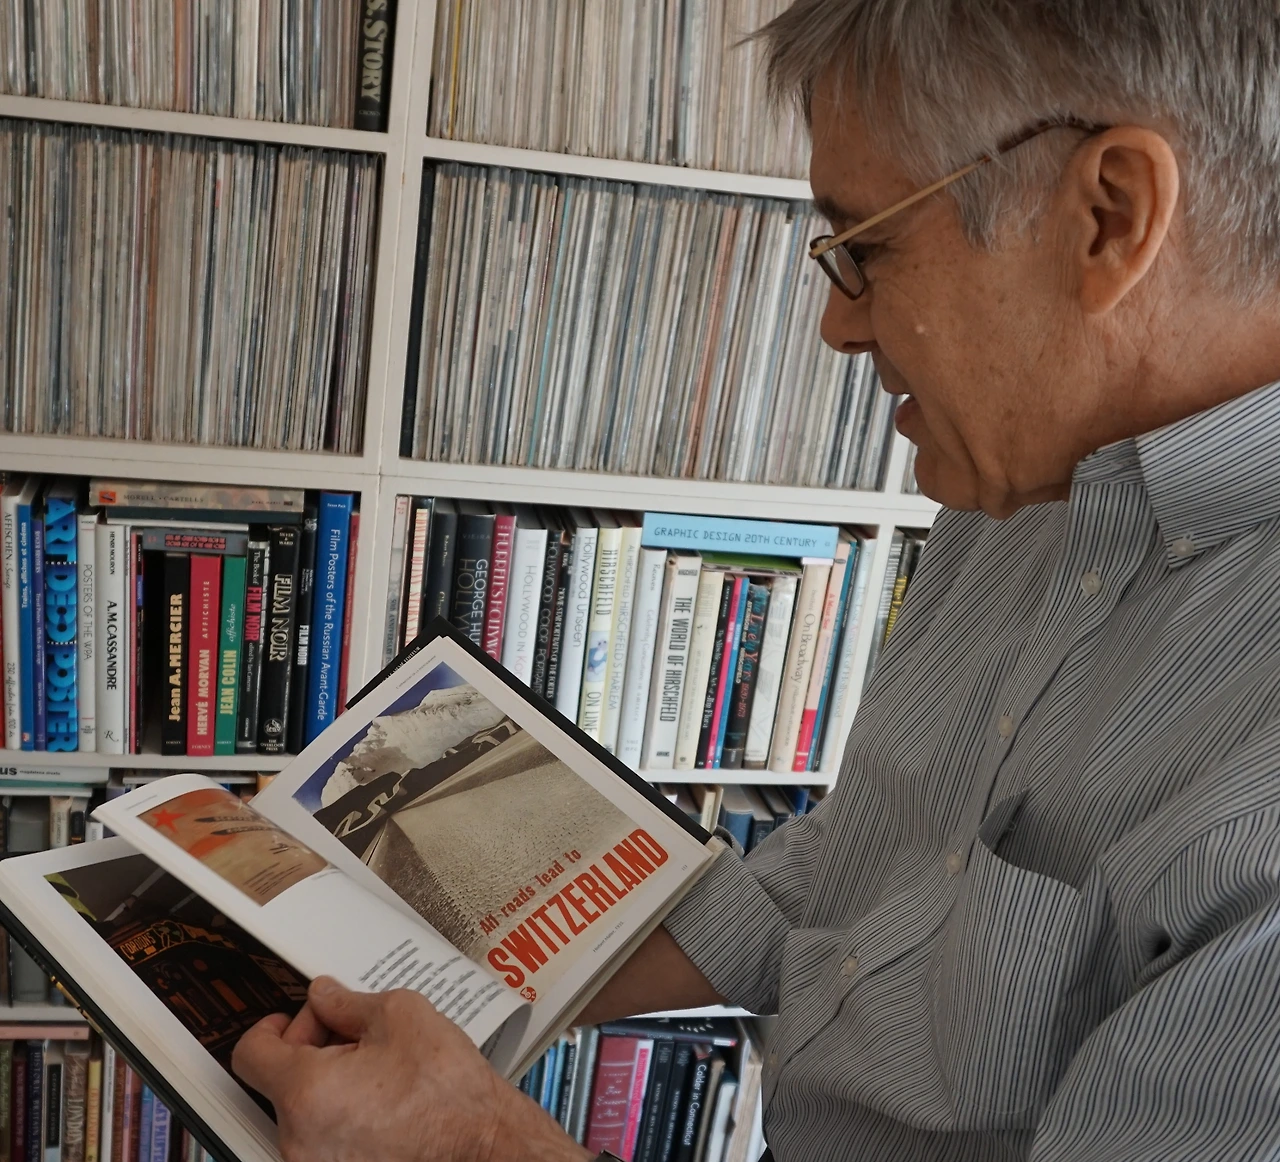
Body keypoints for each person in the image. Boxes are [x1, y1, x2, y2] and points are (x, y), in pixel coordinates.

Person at [233, 1, 1280, 1159]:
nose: (836, 325)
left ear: (1108, 216)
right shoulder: (1029, 483)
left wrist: (468, 1145)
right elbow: (882, 861)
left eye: (865, 248)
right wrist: (458, 949)